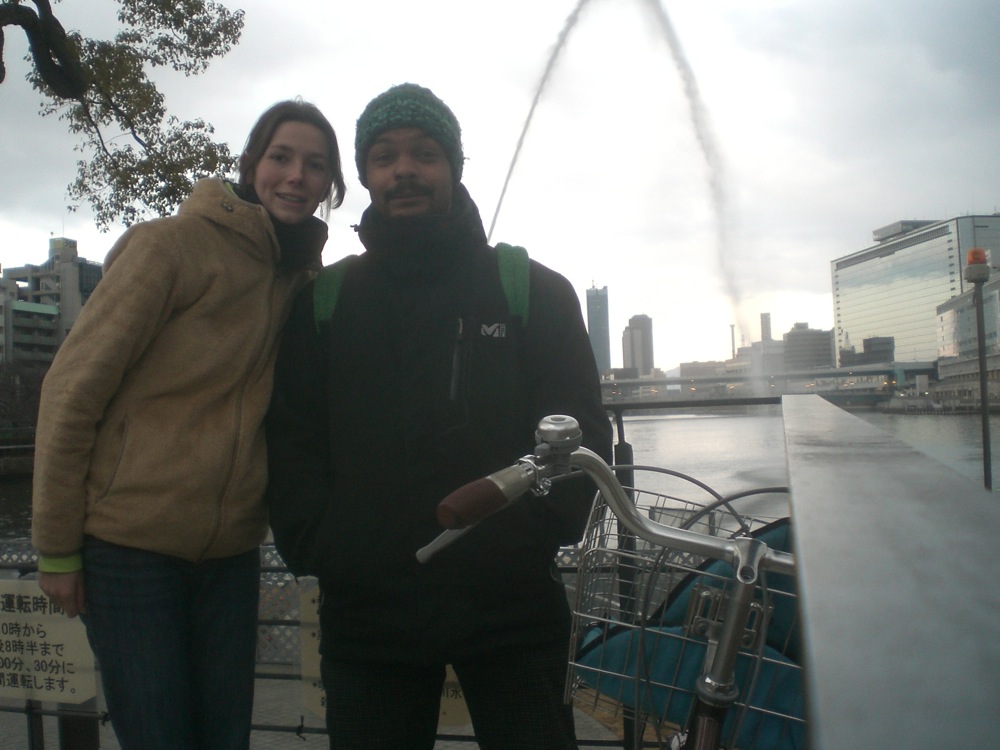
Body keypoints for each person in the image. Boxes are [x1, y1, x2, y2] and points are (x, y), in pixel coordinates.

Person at [266, 83, 613, 749]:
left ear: (453, 167)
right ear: (363, 176)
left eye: (424, 154)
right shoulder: (326, 302)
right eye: (384, 156)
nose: (404, 170)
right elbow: (293, 440)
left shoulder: (529, 289)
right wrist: (328, 547)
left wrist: (528, 539)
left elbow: (582, 437)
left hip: (513, 609)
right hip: (368, 617)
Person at [31, 99, 346, 750]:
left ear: (329, 186)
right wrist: (57, 548)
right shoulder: (169, 246)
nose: (296, 176)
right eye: (281, 157)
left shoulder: (301, 279)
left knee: (224, 736)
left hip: (230, 553)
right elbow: (71, 390)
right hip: (130, 549)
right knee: (159, 735)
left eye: (315, 166)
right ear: (252, 163)